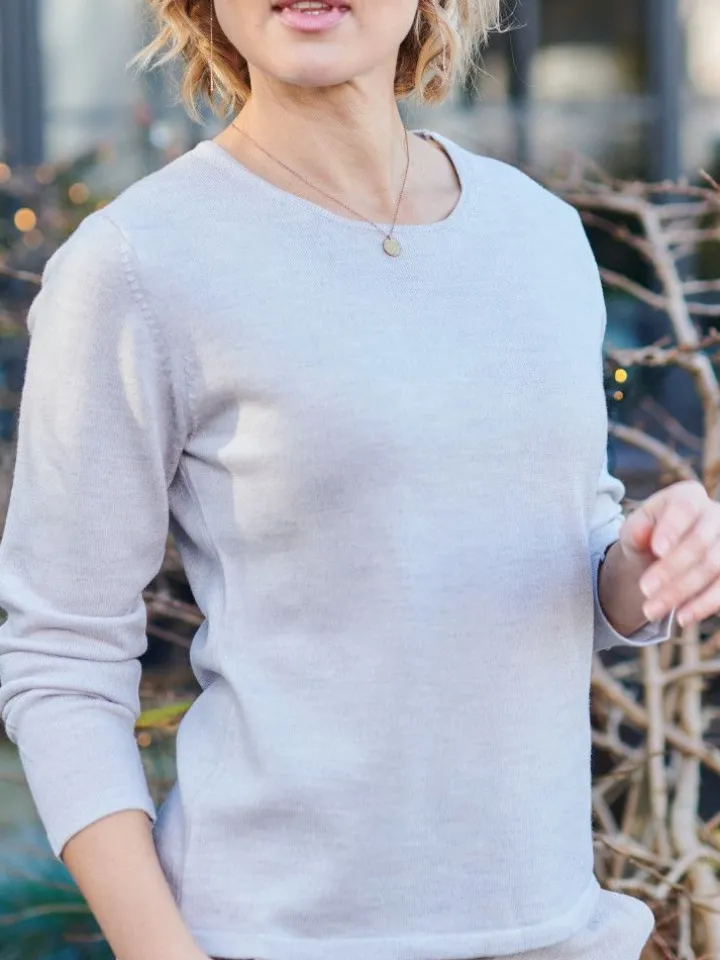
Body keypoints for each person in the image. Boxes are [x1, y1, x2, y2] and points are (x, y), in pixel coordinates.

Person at [2, 1, 720, 958]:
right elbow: (61, 656)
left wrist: (643, 563)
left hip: (560, 926)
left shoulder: (539, 233)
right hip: (276, 936)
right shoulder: (136, 263)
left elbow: (560, 555)